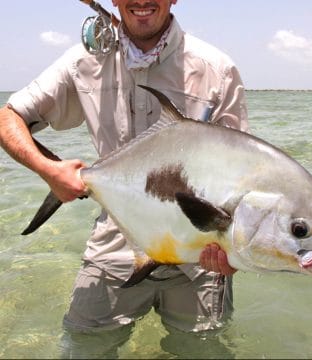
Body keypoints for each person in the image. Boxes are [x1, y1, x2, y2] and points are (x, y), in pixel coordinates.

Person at [0, 0, 248, 357]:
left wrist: (236, 251)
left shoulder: (217, 69)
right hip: (114, 246)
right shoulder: (82, 62)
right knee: (82, 349)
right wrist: (48, 170)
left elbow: (238, 178)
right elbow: (10, 116)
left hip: (200, 256)